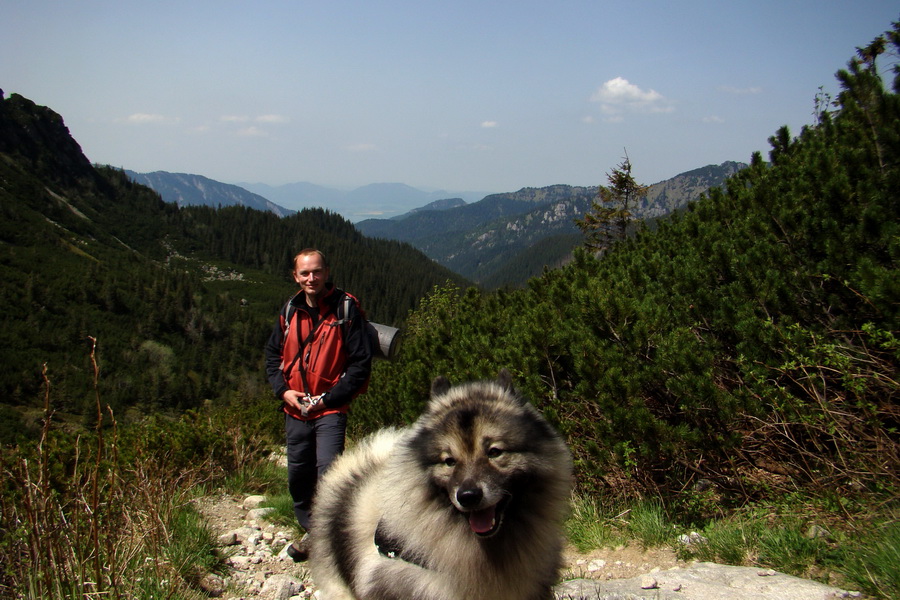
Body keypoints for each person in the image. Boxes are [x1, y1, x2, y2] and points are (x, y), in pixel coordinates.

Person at [264, 249, 373, 561]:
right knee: (298, 473)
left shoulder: (345, 308)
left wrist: (327, 398)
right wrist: (284, 392)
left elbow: (359, 366)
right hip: (294, 406)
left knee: (328, 472)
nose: (311, 279)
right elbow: (273, 357)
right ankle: (311, 526)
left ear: (326, 272)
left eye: (317, 272)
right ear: (295, 276)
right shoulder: (289, 309)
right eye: (305, 273)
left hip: (330, 408)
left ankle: (323, 536)